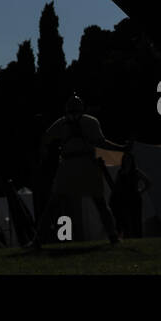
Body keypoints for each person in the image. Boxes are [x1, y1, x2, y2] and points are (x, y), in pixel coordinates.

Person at [28, 95, 124, 248]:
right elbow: (102, 143)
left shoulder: (66, 122)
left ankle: (38, 240)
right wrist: (121, 148)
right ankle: (112, 236)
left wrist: (43, 153)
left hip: (73, 165)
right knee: (98, 203)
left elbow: (46, 138)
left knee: (55, 204)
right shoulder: (87, 121)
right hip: (80, 164)